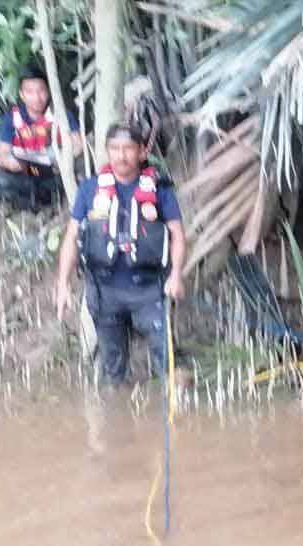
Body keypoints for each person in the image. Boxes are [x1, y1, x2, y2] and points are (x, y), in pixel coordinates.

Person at [54, 123, 186, 385]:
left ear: (140, 152)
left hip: (149, 290)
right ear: (107, 151)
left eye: (127, 148)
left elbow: (178, 235)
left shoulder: (160, 190)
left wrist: (176, 276)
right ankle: (114, 414)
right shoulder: (90, 190)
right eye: (114, 149)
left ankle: (179, 408)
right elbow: (71, 237)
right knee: (112, 370)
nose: (120, 155)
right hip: (104, 292)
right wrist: (63, 284)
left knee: (168, 362)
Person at [0, 66, 83, 211]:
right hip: (25, 175)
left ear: (48, 91)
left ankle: (44, 201)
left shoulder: (61, 114)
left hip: (54, 174)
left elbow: (78, 144)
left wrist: (61, 159)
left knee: (76, 175)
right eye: (30, 92)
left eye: (41, 91)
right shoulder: (12, 117)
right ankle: (36, 204)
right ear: (22, 95)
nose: (37, 97)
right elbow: (1, 154)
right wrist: (10, 163)